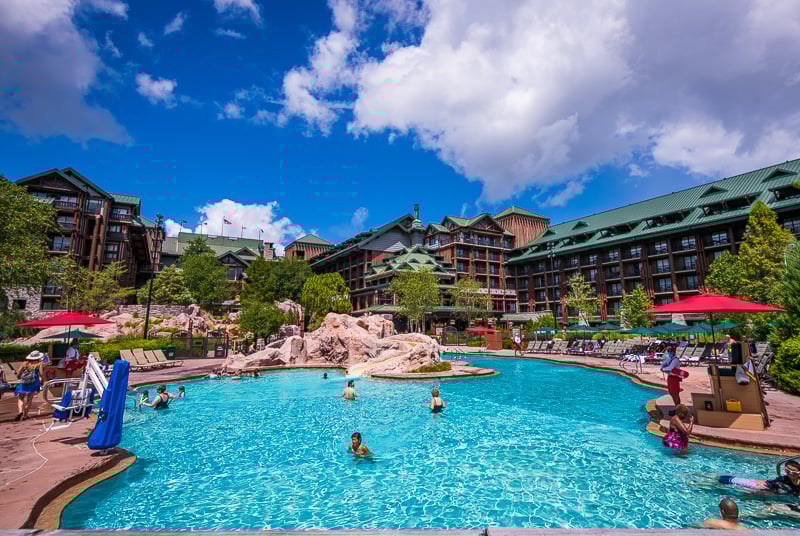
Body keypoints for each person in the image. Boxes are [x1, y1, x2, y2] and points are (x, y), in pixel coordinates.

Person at [718, 461, 800, 495]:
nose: (790, 472)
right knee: (725, 479)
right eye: (787, 470)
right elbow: (767, 483)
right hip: (775, 488)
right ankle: (714, 478)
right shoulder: (784, 479)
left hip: (784, 494)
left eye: (793, 471)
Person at [14, 351, 46, 421]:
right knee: (29, 399)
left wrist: (20, 377)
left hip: (24, 382)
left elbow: (19, 373)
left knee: (20, 398)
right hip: (34, 382)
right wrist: (42, 381)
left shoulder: (25, 363)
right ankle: (25, 415)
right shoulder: (39, 363)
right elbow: (41, 373)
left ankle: (20, 411)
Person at [660, 345, 683, 409]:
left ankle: (678, 408)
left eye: (670, 351)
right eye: (668, 351)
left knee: (675, 393)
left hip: (674, 378)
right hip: (670, 377)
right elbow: (663, 364)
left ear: (673, 352)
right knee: (671, 393)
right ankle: (676, 407)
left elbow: (670, 368)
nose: (669, 352)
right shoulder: (668, 358)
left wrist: (663, 369)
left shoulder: (675, 360)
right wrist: (662, 367)